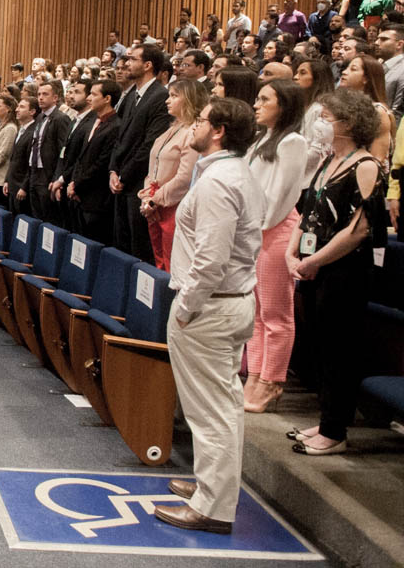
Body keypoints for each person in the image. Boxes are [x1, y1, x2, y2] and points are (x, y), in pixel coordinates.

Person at [153, 97, 264, 535]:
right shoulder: (231, 172)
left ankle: (213, 507)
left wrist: (186, 307)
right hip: (226, 301)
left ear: (218, 131)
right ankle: (211, 487)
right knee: (222, 406)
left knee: (210, 411)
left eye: (200, 120)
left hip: (211, 305)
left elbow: (211, 258)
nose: (192, 126)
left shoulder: (219, 181)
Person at [286, 90, 388, 455]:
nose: (320, 122)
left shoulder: (366, 165)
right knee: (319, 347)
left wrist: (315, 260)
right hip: (315, 266)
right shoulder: (329, 160)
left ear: (348, 123)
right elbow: (308, 211)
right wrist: (292, 250)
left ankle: (335, 431)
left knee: (339, 351)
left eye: (327, 117)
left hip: (345, 271)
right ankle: (327, 418)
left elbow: (358, 230)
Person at [243, 80, 307, 413]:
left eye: (264, 99)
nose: (256, 104)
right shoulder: (261, 138)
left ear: (284, 105)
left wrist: (260, 225)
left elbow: (283, 193)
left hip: (276, 228)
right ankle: (255, 374)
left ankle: (272, 380)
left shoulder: (293, 141)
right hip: (255, 229)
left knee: (276, 314)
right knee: (255, 312)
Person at [109, 43, 170, 263]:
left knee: (139, 252)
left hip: (138, 183)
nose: (126, 64)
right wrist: (113, 170)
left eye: (132, 59)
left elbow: (149, 146)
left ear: (147, 65)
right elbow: (119, 138)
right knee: (122, 248)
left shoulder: (160, 96)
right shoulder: (131, 95)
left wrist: (123, 176)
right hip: (121, 181)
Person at [138, 80, 206, 270]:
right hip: (155, 202)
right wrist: (147, 195)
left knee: (172, 262)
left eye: (174, 96)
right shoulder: (173, 127)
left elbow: (185, 177)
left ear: (190, 99)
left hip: (173, 205)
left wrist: (155, 199)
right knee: (159, 260)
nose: (167, 101)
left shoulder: (193, 131)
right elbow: (154, 166)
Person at [69, 80, 122, 246]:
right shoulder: (95, 122)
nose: (88, 98)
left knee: (93, 246)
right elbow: (81, 158)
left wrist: (77, 185)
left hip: (97, 200)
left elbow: (101, 164)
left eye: (93, 94)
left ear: (107, 98)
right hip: (81, 197)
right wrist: (73, 182)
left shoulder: (115, 125)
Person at [50, 79, 94, 231]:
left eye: (77, 92)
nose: (71, 96)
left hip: (74, 186)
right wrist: (57, 179)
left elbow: (80, 158)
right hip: (62, 183)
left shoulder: (92, 123)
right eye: (71, 91)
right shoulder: (74, 120)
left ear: (89, 97)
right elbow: (63, 153)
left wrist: (62, 180)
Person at [27, 81, 71, 224]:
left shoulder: (61, 118)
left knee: (48, 217)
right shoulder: (40, 117)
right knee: (36, 215)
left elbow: (63, 151)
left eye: (45, 94)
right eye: (39, 94)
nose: (40, 98)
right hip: (35, 171)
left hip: (48, 174)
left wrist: (56, 177)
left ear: (55, 98)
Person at [338, 54, 395, 164]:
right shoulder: (340, 105)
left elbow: (377, 158)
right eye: (346, 68)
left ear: (366, 78)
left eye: (353, 69)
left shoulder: (377, 111)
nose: (344, 72)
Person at [5, 97, 36, 214]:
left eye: (22, 107)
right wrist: (7, 180)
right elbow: (13, 158)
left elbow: (30, 163)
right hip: (12, 184)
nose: (17, 110)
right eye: (17, 106)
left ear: (32, 112)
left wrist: (24, 187)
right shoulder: (21, 130)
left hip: (21, 186)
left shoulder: (33, 132)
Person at [376, 23, 404, 118]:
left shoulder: (402, 71)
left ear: (399, 44)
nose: (376, 42)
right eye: (378, 38)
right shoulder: (379, 65)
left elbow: (398, 114)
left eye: (384, 39)